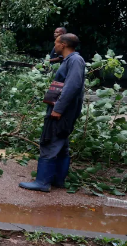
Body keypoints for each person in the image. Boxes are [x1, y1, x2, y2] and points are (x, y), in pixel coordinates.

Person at [20, 32, 85, 192]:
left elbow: (73, 86)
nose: (54, 45)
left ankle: (42, 182)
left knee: (49, 141)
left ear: (63, 45)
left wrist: (58, 108)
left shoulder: (75, 60)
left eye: (56, 42)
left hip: (62, 111)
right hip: (64, 110)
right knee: (61, 144)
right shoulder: (70, 60)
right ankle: (58, 180)